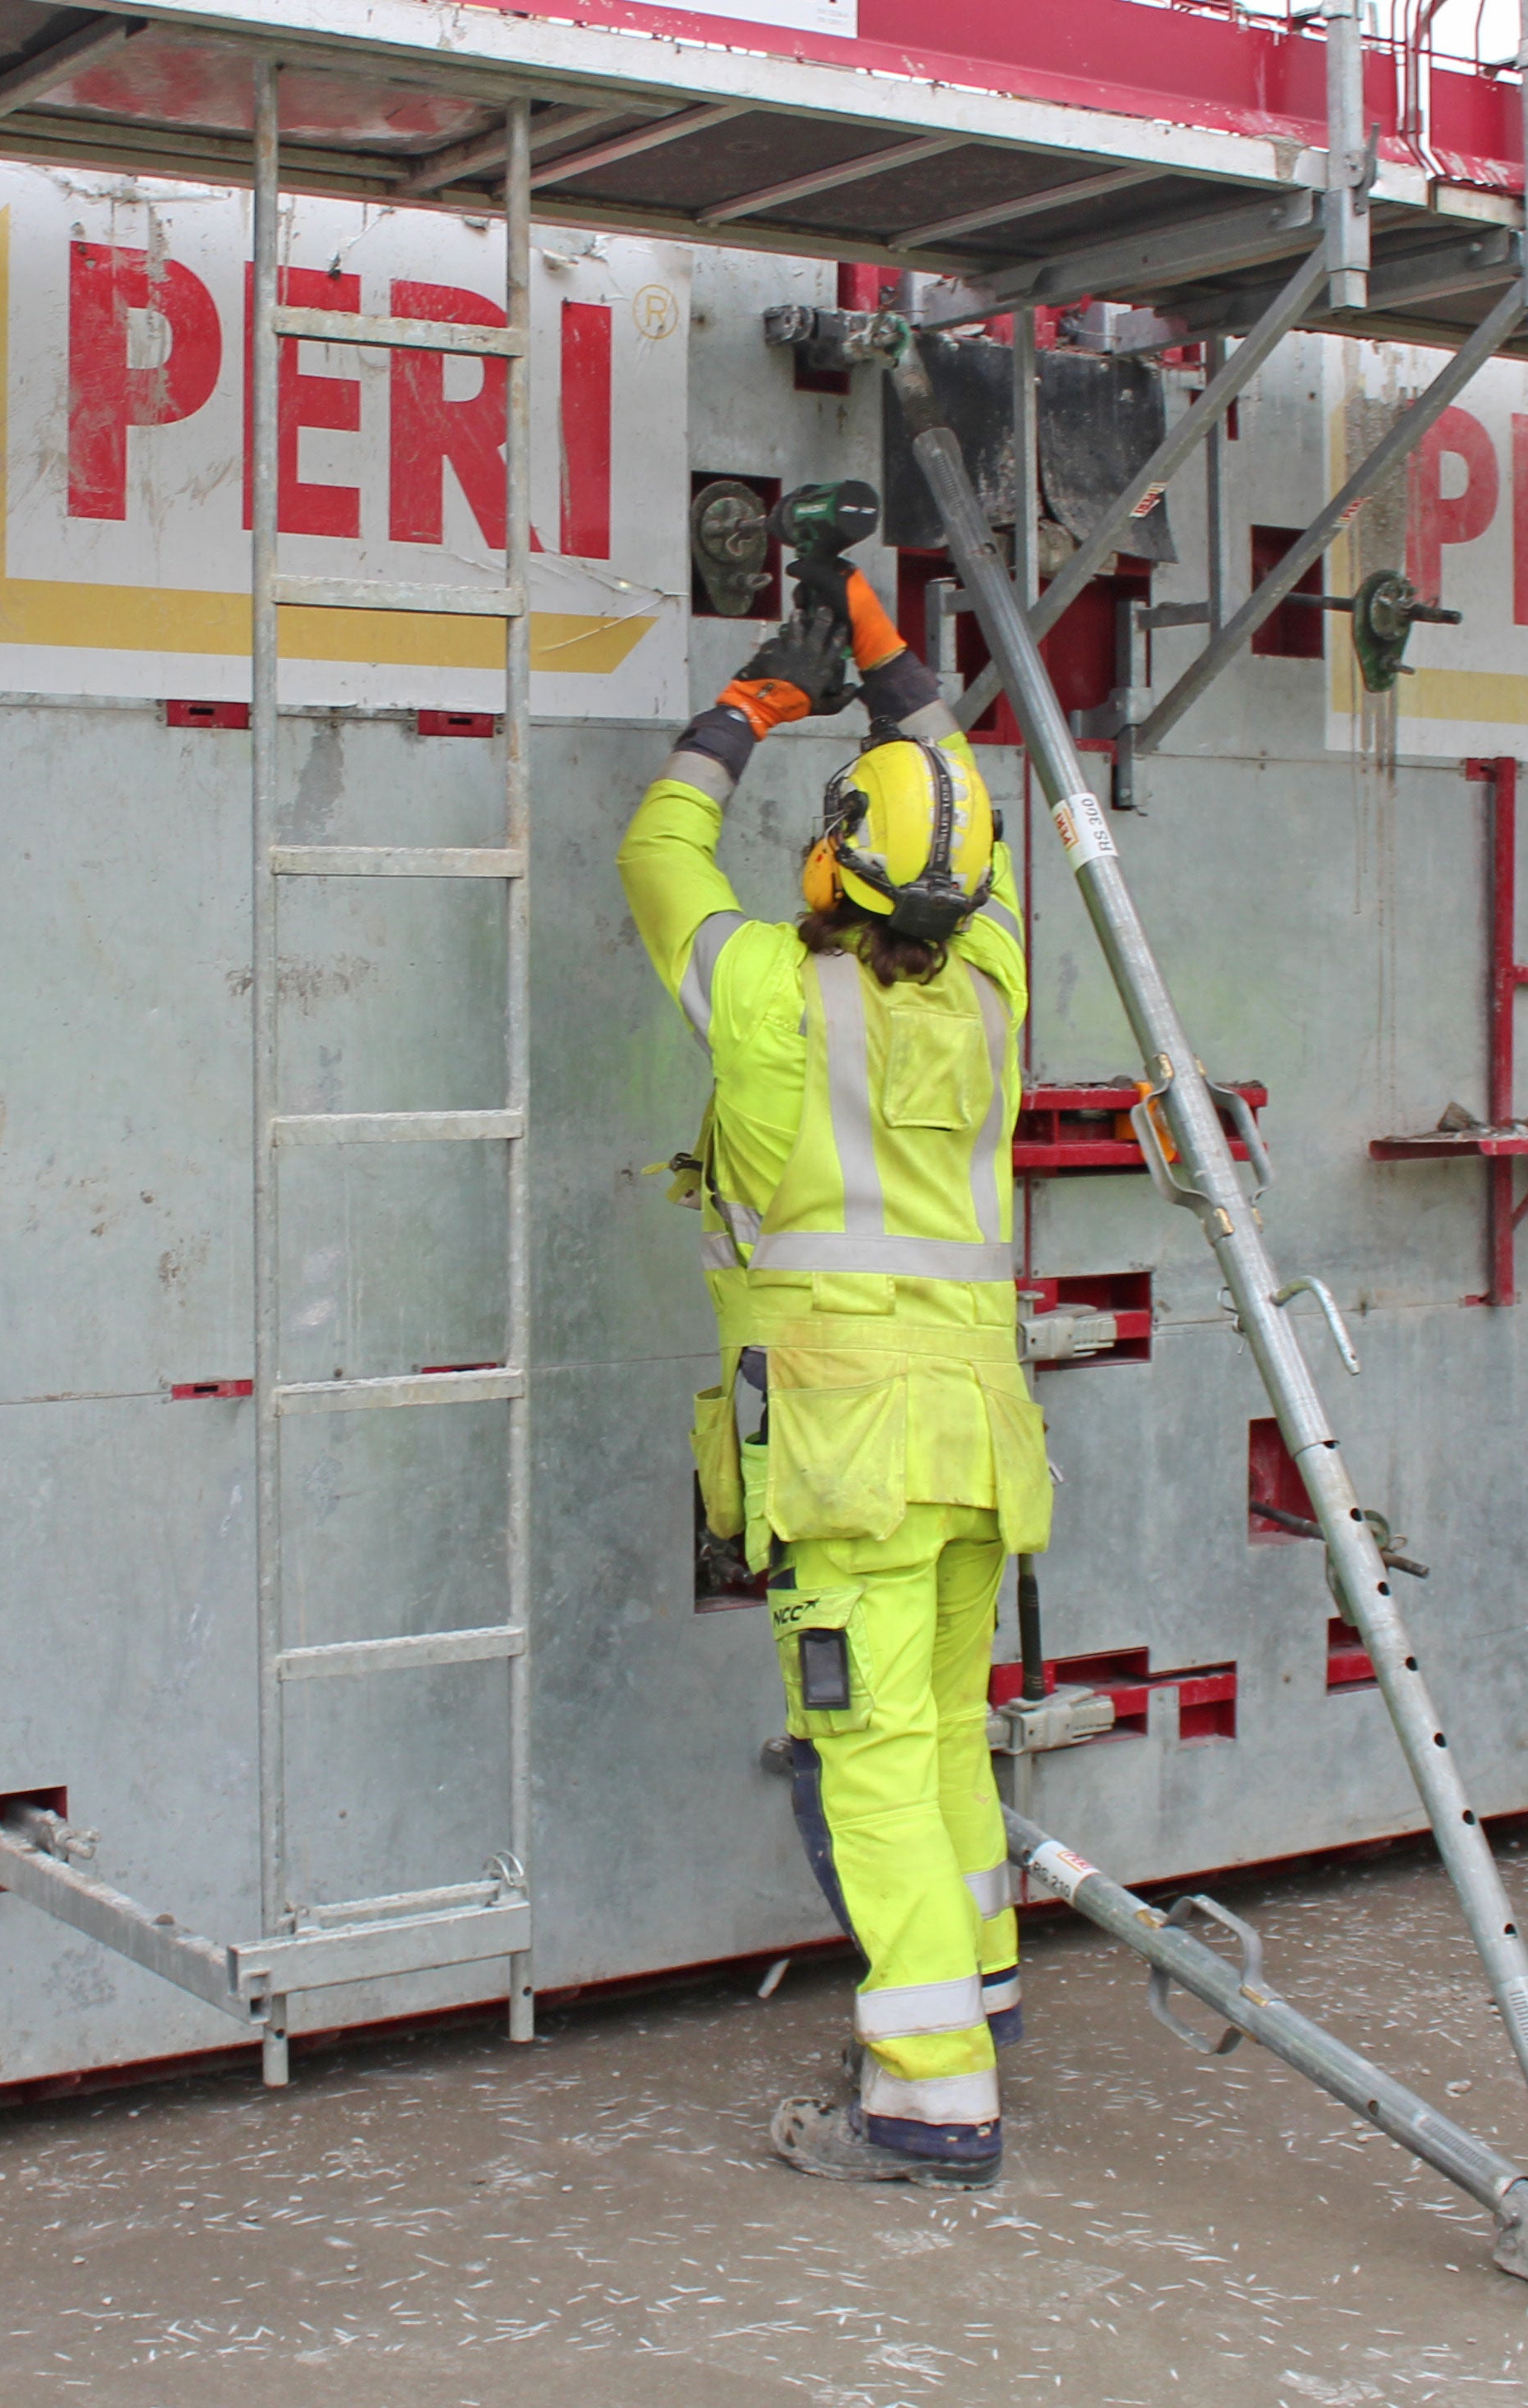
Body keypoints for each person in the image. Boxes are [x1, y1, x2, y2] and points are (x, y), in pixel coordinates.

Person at [615, 569, 1046, 2189]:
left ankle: (932, 2106)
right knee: (941, 1729)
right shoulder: (998, 984)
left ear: (829, 859)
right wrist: (887, 661)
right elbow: (960, 812)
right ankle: (981, 1988)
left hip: (848, 1457)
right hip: (979, 1439)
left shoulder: (763, 991)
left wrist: (752, 703)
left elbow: (659, 854)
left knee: (865, 1760)